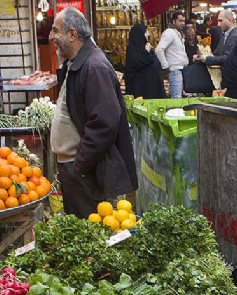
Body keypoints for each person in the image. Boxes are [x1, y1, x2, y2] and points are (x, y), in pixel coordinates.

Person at [49, 8, 137, 217]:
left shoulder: (94, 66)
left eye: (56, 31)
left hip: (86, 171)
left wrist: (81, 164)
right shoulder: (77, 63)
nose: (52, 37)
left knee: (91, 233)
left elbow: (105, 122)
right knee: (82, 234)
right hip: (77, 169)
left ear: (72, 34)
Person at [123, 24, 165, 99]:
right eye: (145, 32)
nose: (148, 34)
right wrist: (146, 52)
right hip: (141, 92)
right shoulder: (133, 50)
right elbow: (137, 63)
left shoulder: (148, 48)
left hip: (153, 91)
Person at [155, 12, 188, 98]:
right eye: (180, 21)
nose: (183, 23)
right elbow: (159, 50)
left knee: (179, 96)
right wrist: (165, 65)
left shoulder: (178, 33)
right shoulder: (169, 33)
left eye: (184, 21)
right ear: (173, 21)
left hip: (180, 69)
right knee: (176, 97)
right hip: (174, 69)